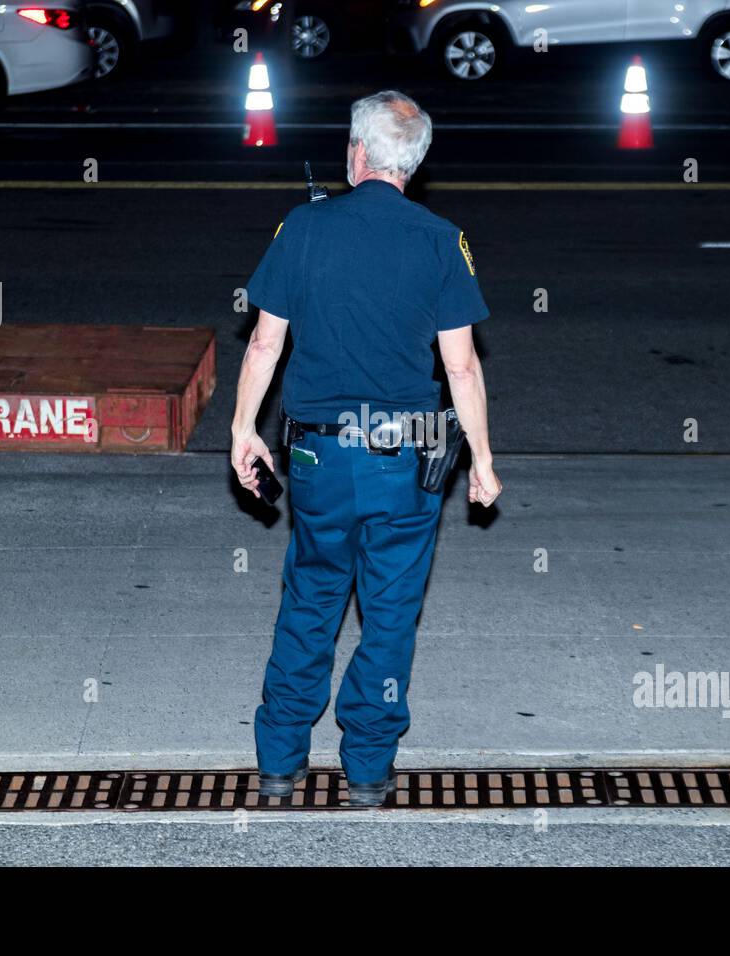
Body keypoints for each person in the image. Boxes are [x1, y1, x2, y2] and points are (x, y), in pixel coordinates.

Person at [230, 90, 501, 806]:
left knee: (311, 599)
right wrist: (482, 457)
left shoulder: (303, 229)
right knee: (390, 611)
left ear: (357, 154)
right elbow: (462, 366)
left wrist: (242, 429)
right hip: (406, 461)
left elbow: (264, 342)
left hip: (319, 458)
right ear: (413, 165)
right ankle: (370, 772)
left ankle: (280, 764)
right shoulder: (441, 239)